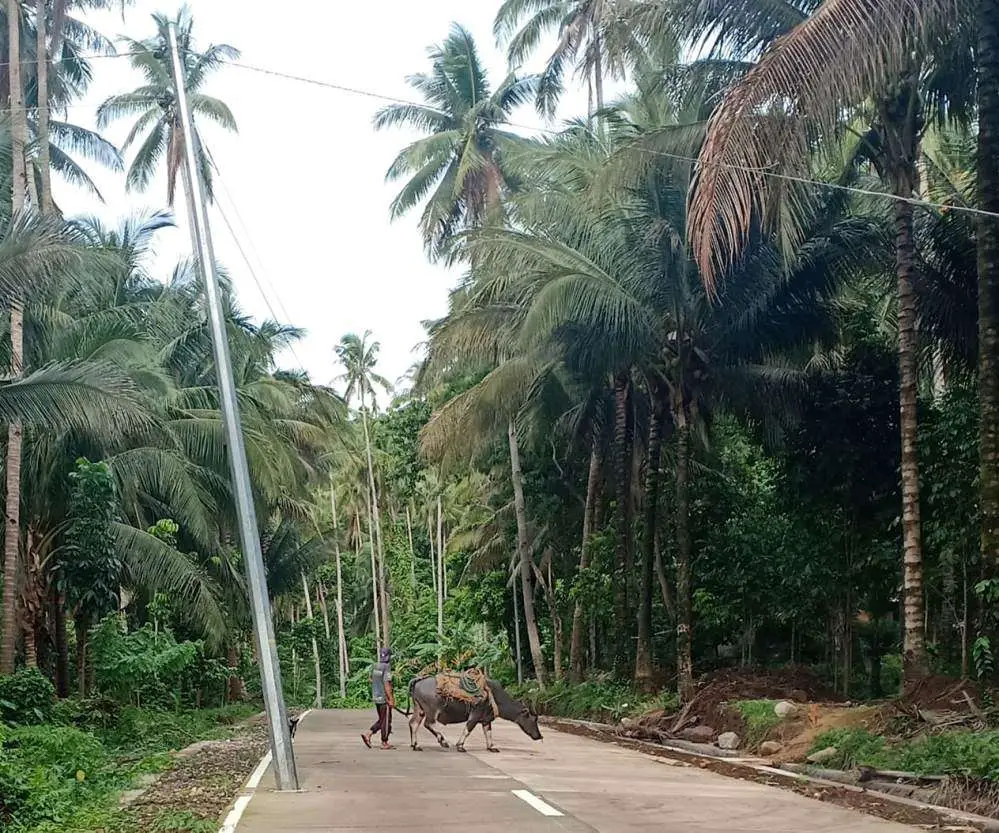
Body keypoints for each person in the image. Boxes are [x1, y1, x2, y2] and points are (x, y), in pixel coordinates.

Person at [362, 647, 394, 749]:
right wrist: (391, 698)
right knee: (385, 721)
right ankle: (383, 742)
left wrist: (377, 686)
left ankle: (369, 734)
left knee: (382, 719)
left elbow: (370, 679)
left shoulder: (375, 666)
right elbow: (386, 683)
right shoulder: (386, 666)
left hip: (376, 696)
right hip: (384, 698)